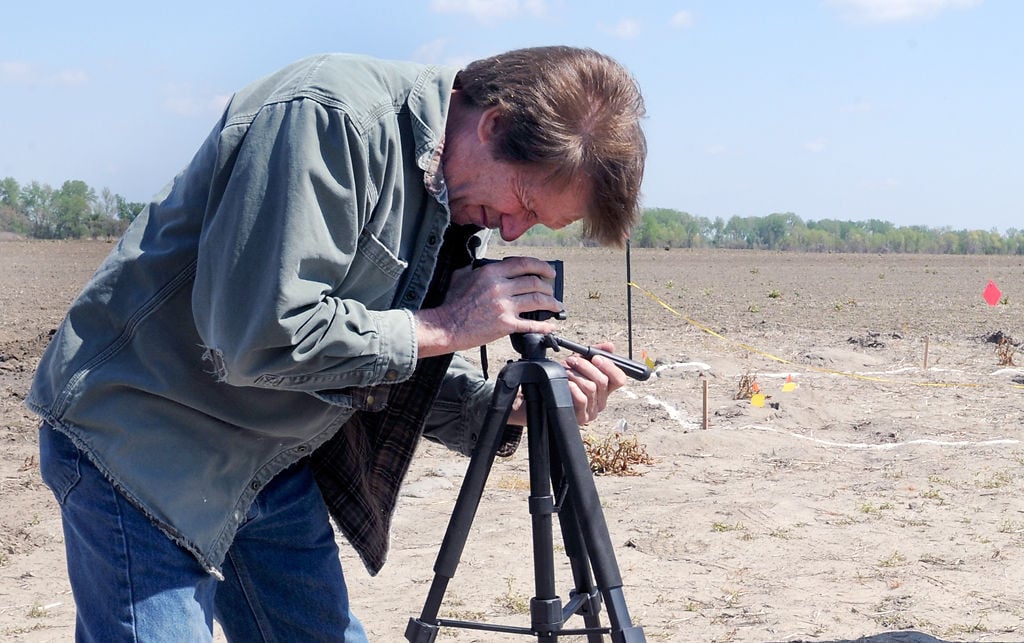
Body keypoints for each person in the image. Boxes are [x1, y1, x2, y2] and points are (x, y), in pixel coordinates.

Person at [27, 45, 646, 641]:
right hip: (146, 440)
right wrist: (453, 325)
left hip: (266, 460)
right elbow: (262, 338)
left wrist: (501, 408)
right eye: (525, 203)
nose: (512, 229)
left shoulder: (442, 194)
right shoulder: (329, 119)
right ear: (493, 125)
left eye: (537, 224)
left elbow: (359, 361)